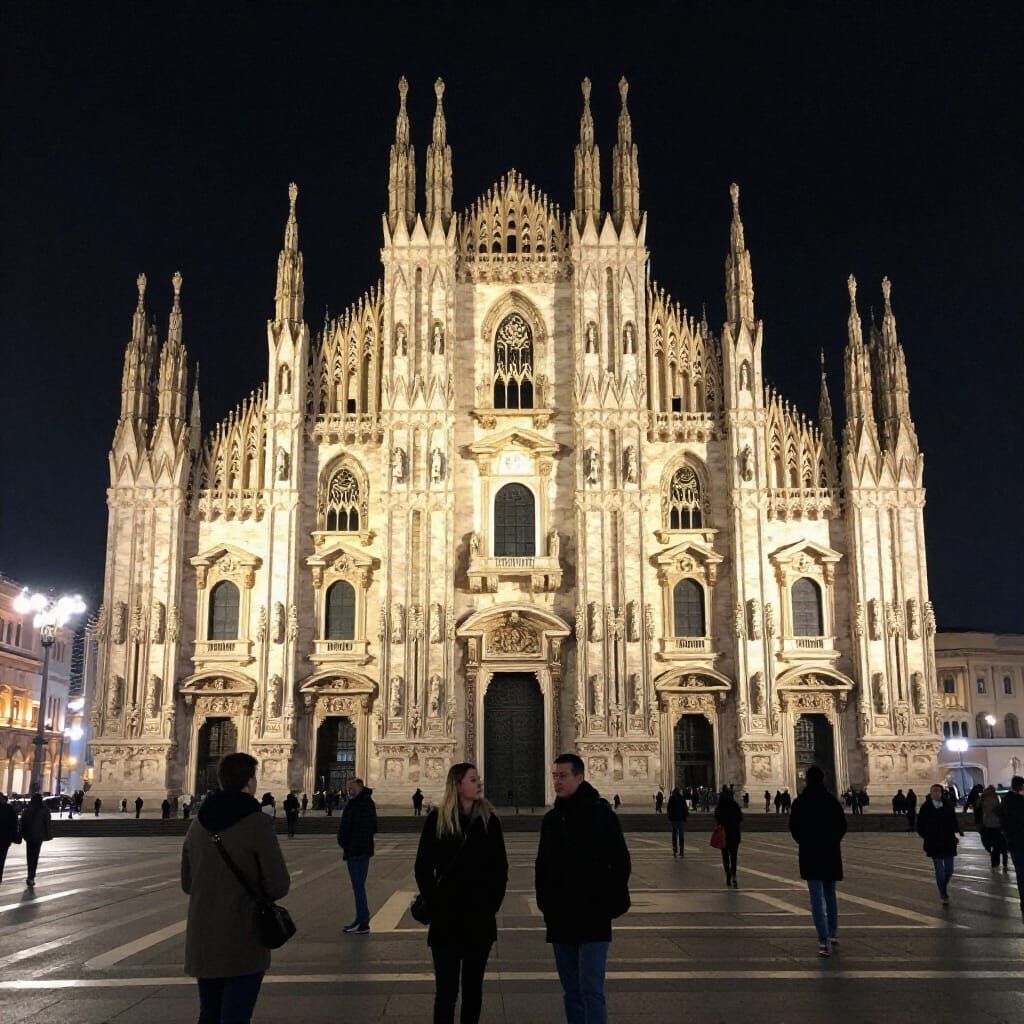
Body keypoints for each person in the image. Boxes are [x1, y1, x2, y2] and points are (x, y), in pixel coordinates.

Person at [181, 751, 290, 1024]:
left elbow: (187, 883)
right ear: (250, 783)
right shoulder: (258, 823)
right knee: (236, 1015)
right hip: (243, 935)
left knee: (209, 1013)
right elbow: (277, 884)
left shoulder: (197, 825)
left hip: (204, 935)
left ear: (220, 781)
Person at [536, 753, 631, 1024]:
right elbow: (542, 867)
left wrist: (606, 903)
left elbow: (621, 862)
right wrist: (547, 905)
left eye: (562, 776)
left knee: (591, 989)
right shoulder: (552, 820)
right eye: (554, 776)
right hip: (561, 918)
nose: (557, 781)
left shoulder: (602, 815)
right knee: (571, 991)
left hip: (593, 917)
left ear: (579, 777)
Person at [414, 763, 508, 1024]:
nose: (479, 783)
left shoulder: (490, 822)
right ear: (457, 784)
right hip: (446, 921)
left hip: (479, 920)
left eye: (479, 778)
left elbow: (500, 869)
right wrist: (435, 903)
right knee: (446, 993)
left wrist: (491, 906)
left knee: (473, 991)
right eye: (473, 779)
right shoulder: (437, 821)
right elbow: (423, 867)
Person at [789, 766, 847, 957]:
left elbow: (794, 828)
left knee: (816, 898)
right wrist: (831, 841)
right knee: (830, 894)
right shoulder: (831, 801)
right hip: (830, 853)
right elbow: (842, 826)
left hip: (810, 854)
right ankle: (832, 933)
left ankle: (822, 940)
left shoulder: (801, 802)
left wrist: (806, 842)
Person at [337, 777, 377, 934]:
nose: (349, 790)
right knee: (359, 886)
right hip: (364, 849)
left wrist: (345, 841)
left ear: (360, 786)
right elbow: (373, 827)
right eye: (348, 787)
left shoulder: (356, 804)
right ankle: (361, 919)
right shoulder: (368, 803)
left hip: (355, 851)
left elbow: (347, 826)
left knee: (358, 887)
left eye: (351, 787)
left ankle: (363, 922)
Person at [917, 783, 964, 905]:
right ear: (931, 793)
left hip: (948, 841)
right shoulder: (926, 807)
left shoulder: (948, 805)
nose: (936, 793)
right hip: (934, 843)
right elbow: (920, 825)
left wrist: (957, 832)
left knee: (949, 869)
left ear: (941, 792)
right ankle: (943, 893)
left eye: (938, 791)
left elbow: (954, 820)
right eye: (934, 791)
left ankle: (943, 886)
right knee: (939, 871)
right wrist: (927, 836)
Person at [996, 775, 1024, 920]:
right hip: (1018, 841)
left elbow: (1000, 816)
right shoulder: (1016, 801)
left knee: (1021, 872)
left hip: (1015, 842)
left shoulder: (1006, 800)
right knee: (1021, 871)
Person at [20, 792, 53, 886]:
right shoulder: (44, 810)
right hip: (39, 836)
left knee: (29, 855)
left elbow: (22, 822)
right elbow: (47, 823)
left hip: (29, 836)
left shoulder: (27, 809)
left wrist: (22, 833)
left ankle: (30, 875)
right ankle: (31, 876)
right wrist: (48, 834)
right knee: (35, 855)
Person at [714, 786, 743, 887]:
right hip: (734, 834)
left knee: (725, 857)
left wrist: (722, 823)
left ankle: (728, 875)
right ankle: (734, 876)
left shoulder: (721, 806)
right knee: (734, 857)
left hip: (724, 834)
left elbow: (716, 817)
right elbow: (740, 818)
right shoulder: (735, 805)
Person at [978, 784, 1008, 871]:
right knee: (1002, 845)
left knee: (995, 847)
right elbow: (1000, 810)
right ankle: (1004, 863)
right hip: (997, 825)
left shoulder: (983, 798)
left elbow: (978, 807)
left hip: (988, 825)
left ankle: (995, 864)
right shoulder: (995, 797)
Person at [0, 793, 20, 882]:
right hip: (5, 839)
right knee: (2, 858)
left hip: (5, 838)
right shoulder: (9, 809)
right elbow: (14, 824)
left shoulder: (9, 809)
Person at [666, 787, 688, 858]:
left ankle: (675, 850)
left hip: (674, 819)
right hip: (681, 819)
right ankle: (681, 851)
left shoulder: (672, 798)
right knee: (681, 835)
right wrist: (685, 817)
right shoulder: (682, 798)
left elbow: (669, 808)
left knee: (674, 835)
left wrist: (670, 817)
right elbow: (685, 808)